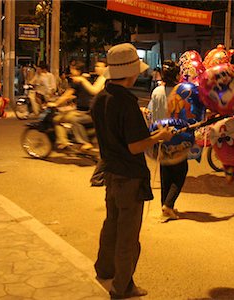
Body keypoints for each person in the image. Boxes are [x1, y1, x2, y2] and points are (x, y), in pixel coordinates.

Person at [91, 43, 174, 299]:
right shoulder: (126, 103)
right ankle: (123, 286)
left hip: (111, 174)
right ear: (130, 73)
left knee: (111, 225)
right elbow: (136, 146)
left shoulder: (101, 98)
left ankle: (104, 270)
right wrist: (159, 136)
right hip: (129, 177)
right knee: (127, 235)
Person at [149, 60, 187, 221]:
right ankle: (168, 205)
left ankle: (165, 206)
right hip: (178, 135)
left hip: (160, 135)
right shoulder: (183, 91)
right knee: (180, 172)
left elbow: (153, 114)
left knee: (166, 173)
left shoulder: (157, 91)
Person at [50, 61, 94, 150]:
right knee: (66, 113)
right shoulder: (87, 79)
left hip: (82, 111)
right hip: (89, 109)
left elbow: (67, 94)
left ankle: (64, 141)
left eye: (72, 69)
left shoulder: (76, 80)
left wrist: (55, 103)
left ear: (77, 70)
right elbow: (75, 94)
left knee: (56, 119)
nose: (70, 71)